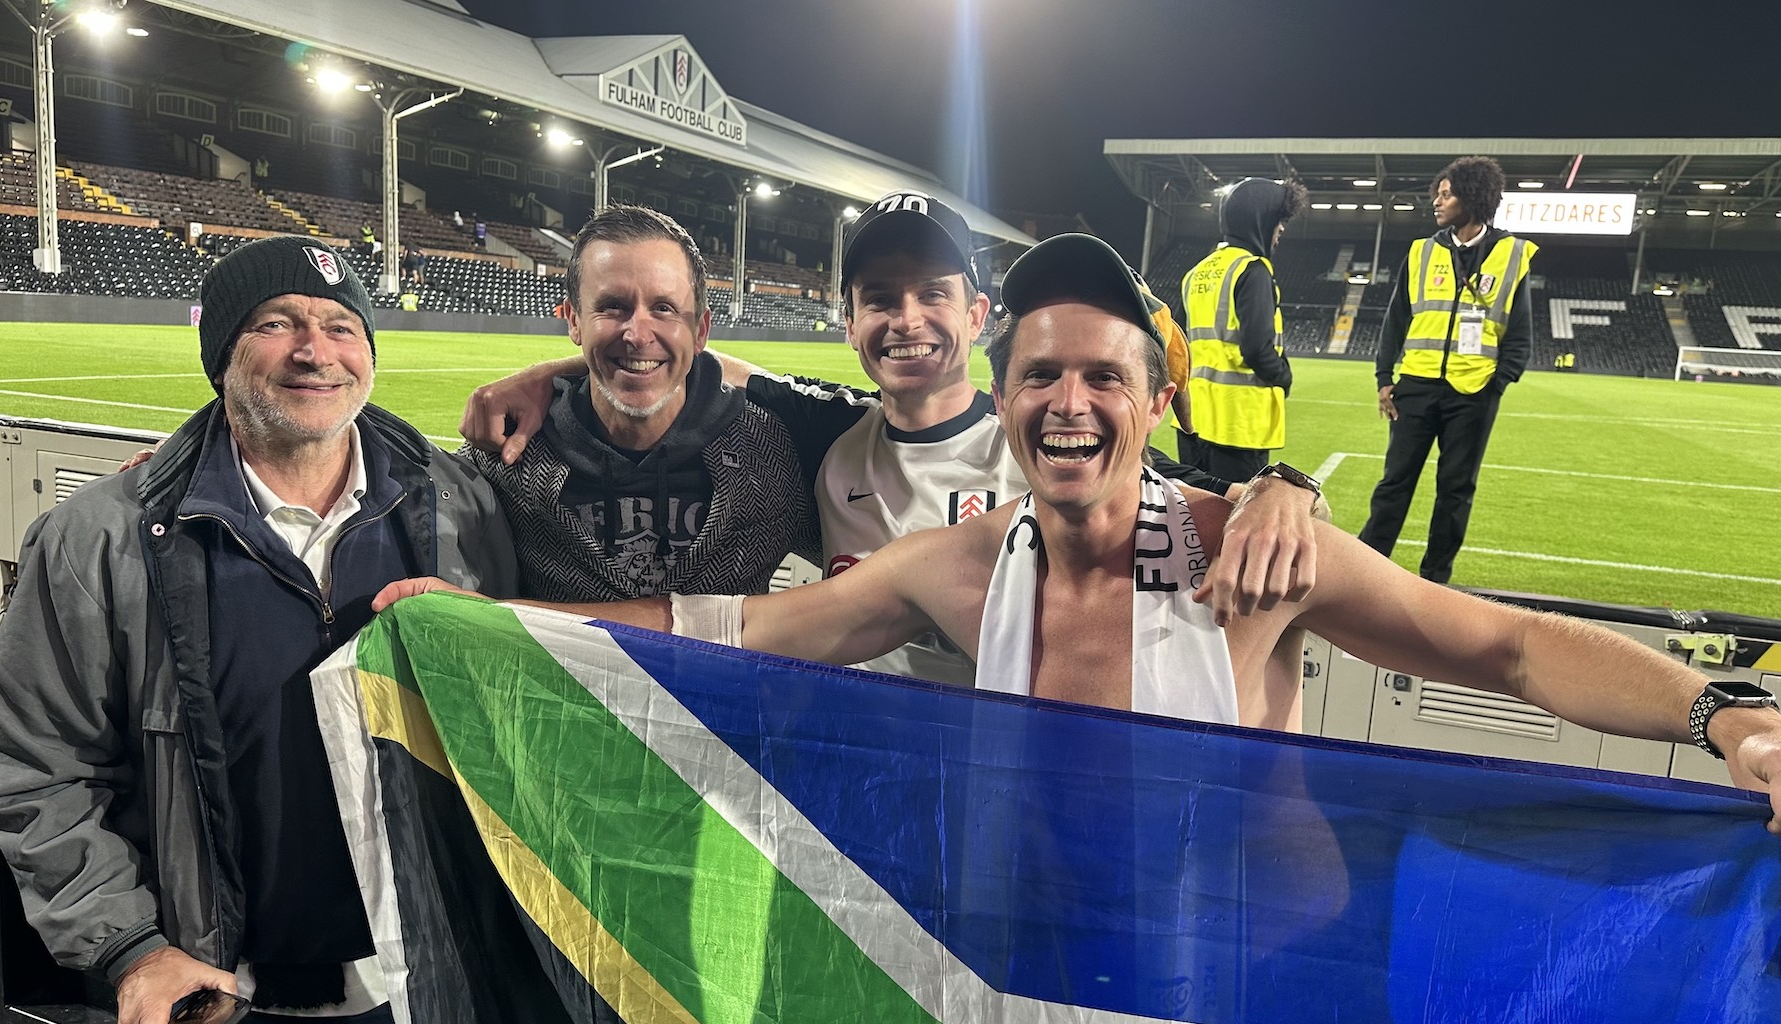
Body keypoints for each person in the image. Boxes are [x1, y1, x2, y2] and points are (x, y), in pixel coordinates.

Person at [379, 231, 1781, 825]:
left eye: (1101, 377)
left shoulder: (1256, 547)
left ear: (1152, 399)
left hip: (1245, 969)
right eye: (1039, 376)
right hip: (1031, 957)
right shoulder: (970, 561)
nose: (1067, 403)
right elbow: (724, 629)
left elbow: (1515, 652)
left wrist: (1724, 713)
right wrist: (488, 621)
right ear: (1003, 396)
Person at [0, 236, 519, 1024]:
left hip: (425, 993)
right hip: (221, 1005)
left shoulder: (462, 509)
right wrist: (132, 948)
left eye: (343, 327)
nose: (316, 352)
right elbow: (36, 764)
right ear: (221, 353)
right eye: (278, 323)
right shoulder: (103, 539)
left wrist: (549, 378)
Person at [461, 193, 1323, 685]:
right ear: (850, 323)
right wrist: (551, 374)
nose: (906, 321)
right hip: (859, 778)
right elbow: (677, 349)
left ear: (980, 315)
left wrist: (1283, 486)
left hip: (1004, 778)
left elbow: (1190, 496)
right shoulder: (826, 432)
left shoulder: (1051, 451)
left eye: (932, 295)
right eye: (880, 297)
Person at [462, 204, 819, 601]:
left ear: (700, 331)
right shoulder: (505, 459)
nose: (637, 334)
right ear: (574, 322)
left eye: (664, 308)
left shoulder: (775, 456)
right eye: (613, 306)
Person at [1358, 156, 1536, 584]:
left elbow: (1521, 333)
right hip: (1415, 387)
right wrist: (1385, 379)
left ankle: (1435, 578)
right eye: (1437, 192)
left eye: (1446, 193)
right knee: (1394, 483)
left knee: (1456, 491)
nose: (1436, 201)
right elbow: (1395, 320)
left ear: (1473, 196)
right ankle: (1362, 568)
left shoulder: (1513, 254)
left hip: (1473, 395)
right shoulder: (1422, 251)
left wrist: (1497, 384)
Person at [1178, 177, 1305, 483]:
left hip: (1194, 421)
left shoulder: (1196, 273)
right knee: (1236, 520)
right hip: (1239, 424)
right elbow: (1256, 348)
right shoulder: (1253, 269)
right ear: (1260, 220)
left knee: (1197, 519)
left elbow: (1180, 344)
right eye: (1279, 220)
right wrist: (1284, 377)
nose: (1281, 229)